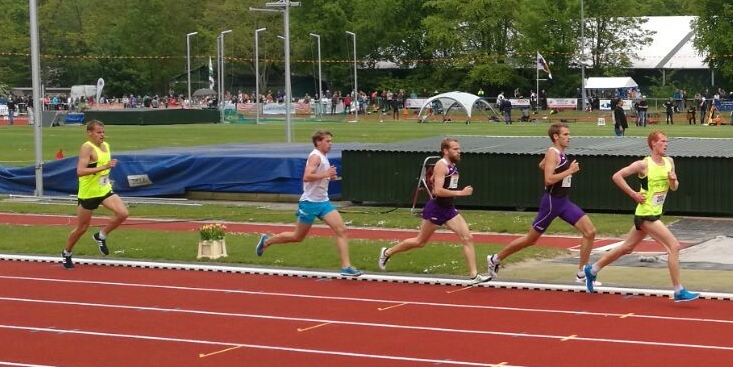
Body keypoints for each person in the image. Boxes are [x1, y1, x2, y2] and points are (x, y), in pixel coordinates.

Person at [582, 130, 699, 302]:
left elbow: (674, 188)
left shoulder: (669, 162)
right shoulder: (643, 164)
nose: (666, 144)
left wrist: (673, 180)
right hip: (645, 214)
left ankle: (591, 270)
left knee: (626, 248)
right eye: (662, 141)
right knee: (673, 246)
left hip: (655, 213)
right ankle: (678, 290)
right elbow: (617, 176)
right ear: (653, 143)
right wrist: (633, 194)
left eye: (667, 141)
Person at [488, 122, 598, 282]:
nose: (569, 137)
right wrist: (569, 171)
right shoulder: (553, 152)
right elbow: (548, 180)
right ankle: (495, 259)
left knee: (590, 232)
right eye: (565, 134)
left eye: (569, 134)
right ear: (556, 137)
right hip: (552, 203)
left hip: (564, 202)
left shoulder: (557, 153)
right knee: (530, 240)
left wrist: (556, 167)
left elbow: (542, 165)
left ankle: (582, 273)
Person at [255, 129, 361, 276]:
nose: (331, 144)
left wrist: (328, 177)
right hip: (310, 203)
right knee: (297, 237)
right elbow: (306, 177)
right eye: (327, 141)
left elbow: (319, 177)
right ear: (318, 142)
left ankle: (346, 266)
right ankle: (267, 241)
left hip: (323, 202)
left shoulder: (323, 157)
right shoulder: (315, 157)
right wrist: (325, 174)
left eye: (331, 141)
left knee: (342, 230)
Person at [378, 137, 486, 281]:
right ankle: (387, 253)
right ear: (445, 151)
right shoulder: (442, 165)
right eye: (455, 149)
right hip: (437, 208)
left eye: (459, 149)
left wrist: (434, 178)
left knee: (467, 237)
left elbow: (437, 181)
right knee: (420, 242)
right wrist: (460, 193)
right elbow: (438, 191)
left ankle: (474, 275)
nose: (459, 152)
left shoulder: (451, 164)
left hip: (449, 209)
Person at [61, 119, 130, 268]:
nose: (102, 135)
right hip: (88, 193)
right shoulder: (87, 147)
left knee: (123, 213)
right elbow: (80, 171)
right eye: (98, 132)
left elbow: (102, 168)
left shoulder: (106, 146)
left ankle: (101, 235)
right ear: (89, 133)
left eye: (103, 132)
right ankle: (67, 252)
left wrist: (107, 177)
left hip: (103, 189)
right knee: (82, 228)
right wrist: (105, 166)